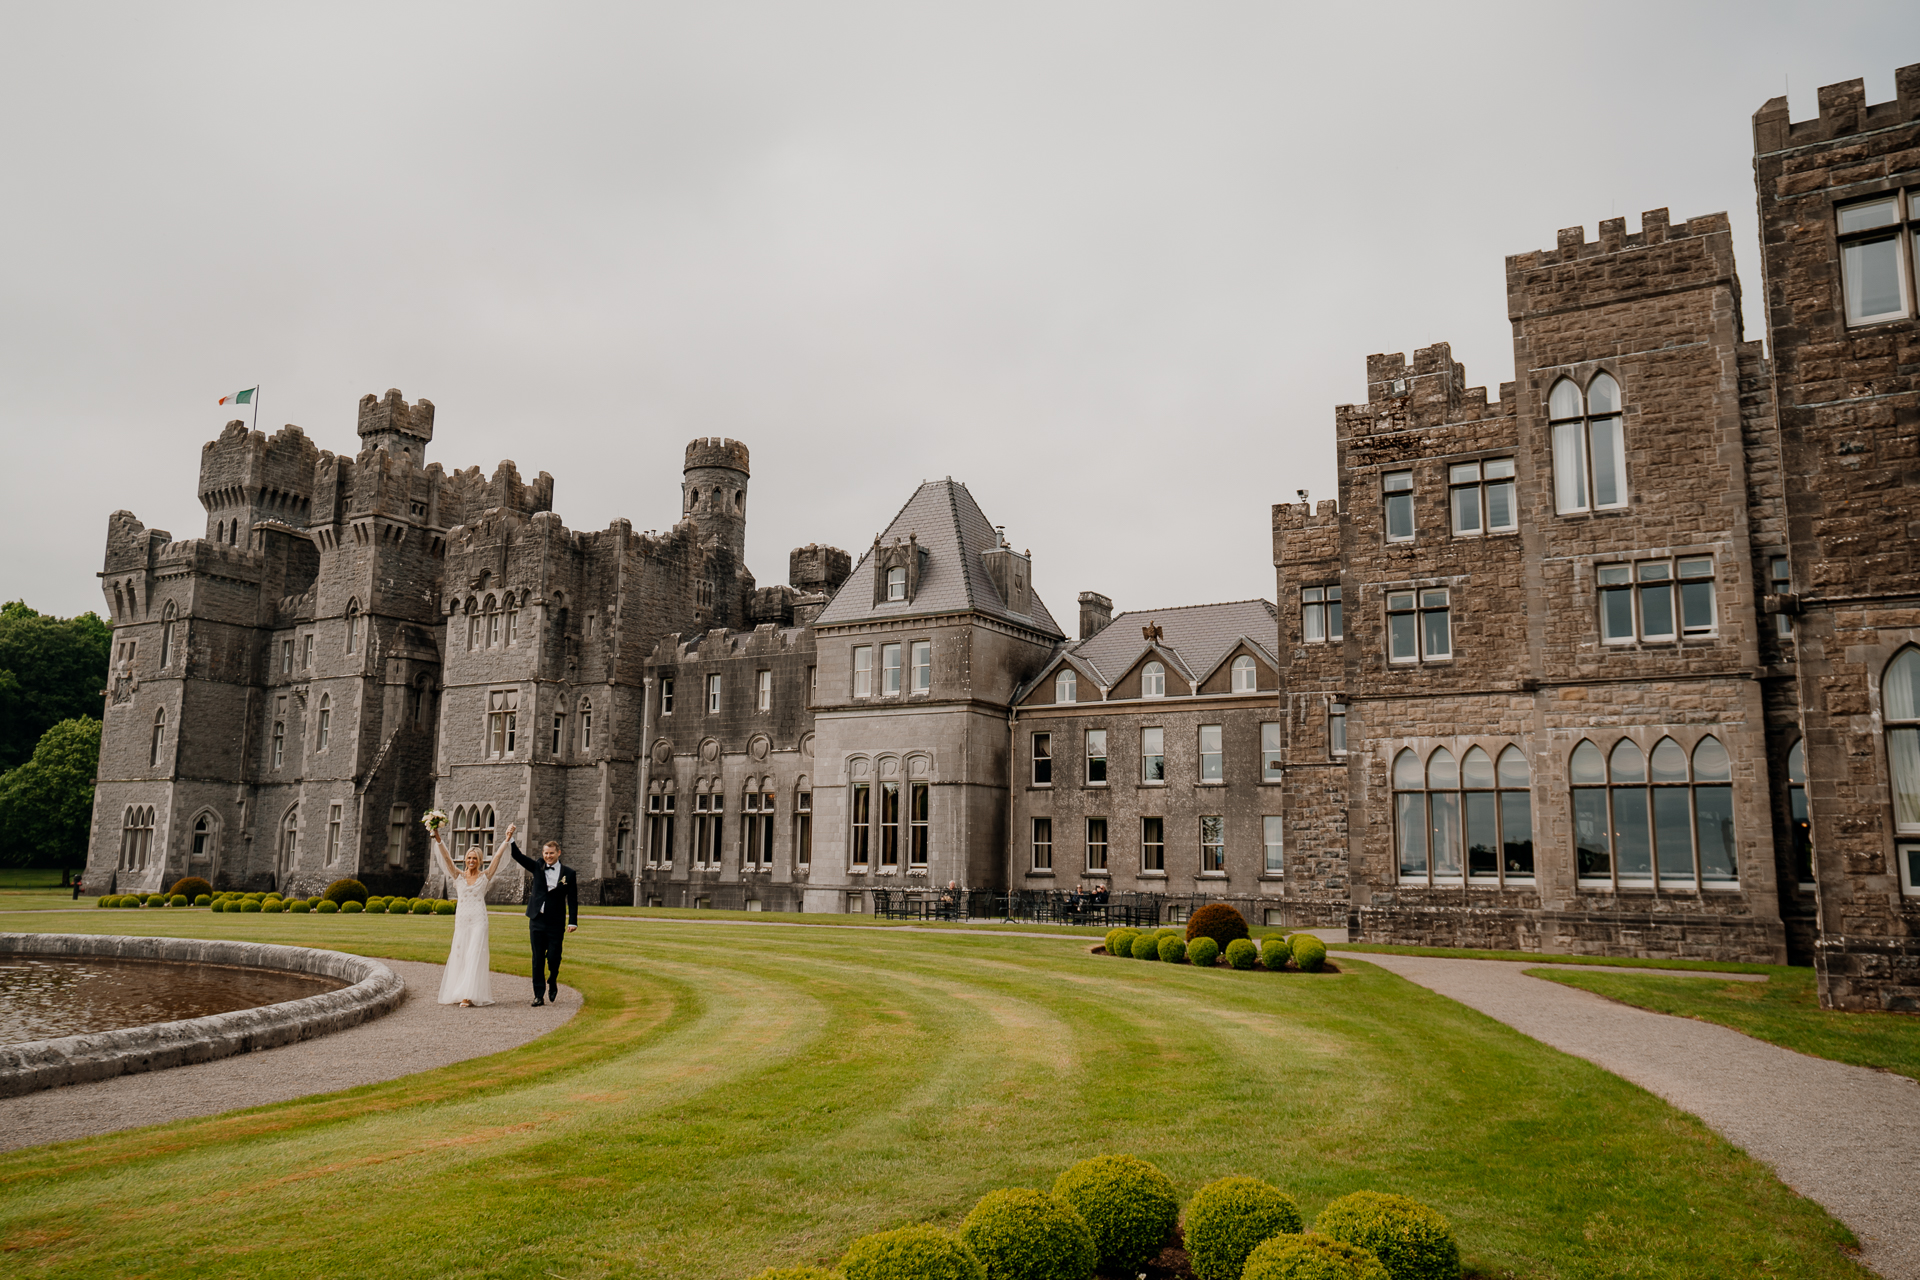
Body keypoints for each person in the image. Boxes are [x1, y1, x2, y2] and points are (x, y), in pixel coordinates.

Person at [430, 822, 514, 1007]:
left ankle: (468, 995)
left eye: (474, 858)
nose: (471, 861)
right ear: (465, 859)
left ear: (479, 861)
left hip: (478, 920)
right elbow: (446, 859)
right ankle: (458, 991)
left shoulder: (485, 876)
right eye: (469, 858)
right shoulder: (457, 876)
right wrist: (438, 838)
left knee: (474, 955)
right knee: (460, 954)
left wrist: (507, 839)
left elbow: (497, 858)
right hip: (462, 920)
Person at [510, 836, 578, 1006]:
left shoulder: (569, 873)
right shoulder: (537, 867)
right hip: (537, 919)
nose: (548, 856)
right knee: (537, 958)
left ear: (558, 853)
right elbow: (518, 856)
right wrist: (510, 840)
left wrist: (573, 921)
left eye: (551, 853)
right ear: (543, 854)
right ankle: (538, 994)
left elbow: (573, 898)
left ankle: (553, 979)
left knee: (554, 957)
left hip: (555, 921)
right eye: (546, 853)